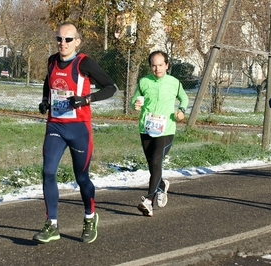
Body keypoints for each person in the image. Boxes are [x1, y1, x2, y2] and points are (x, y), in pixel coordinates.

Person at [33, 22, 118, 243]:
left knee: (81, 178)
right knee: (48, 171)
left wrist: (85, 99)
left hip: (79, 128)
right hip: (55, 125)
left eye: (68, 39)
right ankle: (52, 224)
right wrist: (44, 101)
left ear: (77, 41)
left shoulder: (84, 62)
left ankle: (90, 217)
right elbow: (48, 82)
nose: (63, 43)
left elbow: (111, 87)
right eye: (59, 39)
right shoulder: (52, 60)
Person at [130, 50, 189, 217]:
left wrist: (181, 111)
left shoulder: (174, 83)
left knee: (156, 161)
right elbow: (135, 100)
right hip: (146, 128)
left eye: (161, 65)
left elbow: (184, 98)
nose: (157, 69)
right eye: (154, 66)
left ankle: (148, 201)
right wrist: (135, 105)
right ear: (150, 66)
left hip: (166, 130)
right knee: (152, 165)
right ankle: (161, 185)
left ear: (167, 65)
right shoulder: (144, 82)